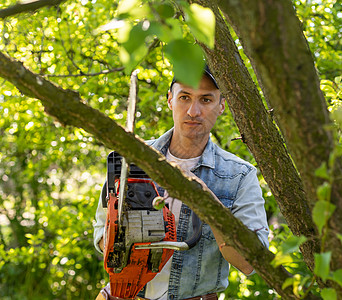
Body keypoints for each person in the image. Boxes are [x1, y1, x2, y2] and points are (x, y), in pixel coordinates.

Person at [94, 66, 270, 300]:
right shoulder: (131, 157)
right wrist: (124, 230)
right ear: (170, 100)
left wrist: (209, 205)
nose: (193, 111)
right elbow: (101, 236)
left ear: (221, 106)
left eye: (206, 100)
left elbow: (251, 263)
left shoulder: (239, 176)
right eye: (184, 97)